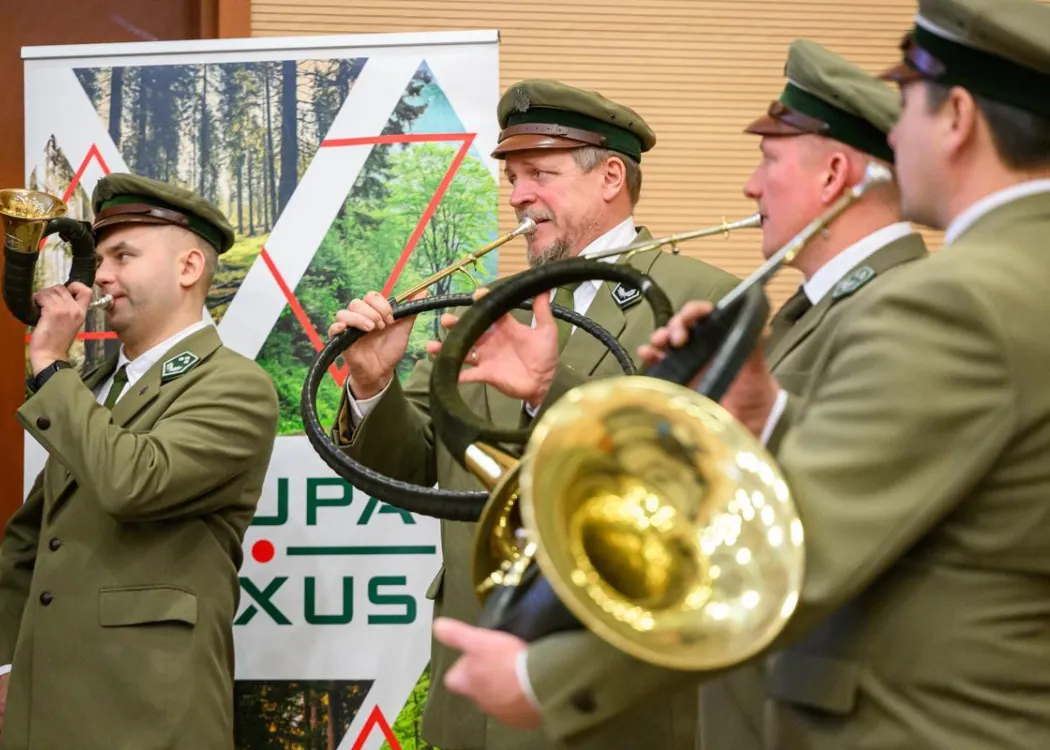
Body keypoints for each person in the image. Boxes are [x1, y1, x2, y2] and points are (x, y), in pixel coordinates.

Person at [426, 0, 1050, 748]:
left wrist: (543, 677)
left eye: (905, 100)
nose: (751, 187)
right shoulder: (1011, 280)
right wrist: (769, 413)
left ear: (954, 116)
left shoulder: (956, 302)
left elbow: (788, 552)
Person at [329, 79, 739, 750]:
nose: (517, 195)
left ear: (611, 178)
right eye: (513, 177)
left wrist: (547, 389)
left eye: (539, 175)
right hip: (473, 708)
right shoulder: (492, 302)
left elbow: (695, 487)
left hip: (609, 703)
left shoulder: (704, 298)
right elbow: (412, 468)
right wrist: (373, 384)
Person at [699, 38, 929, 750]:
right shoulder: (808, 309)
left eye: (769, 160)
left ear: (833, 172)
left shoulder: (907, 310)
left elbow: (848, 526)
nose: (749, 186)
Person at [0, 173, 279, 749]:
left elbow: (133, 482)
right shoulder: (95, 384)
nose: (101, 275)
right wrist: (5, 664)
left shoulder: (234, 384)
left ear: (188, 268)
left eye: (123, 255)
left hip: (146, 715)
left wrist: (51, 363)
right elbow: (32, 538)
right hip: (43, 711)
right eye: (100, 257)